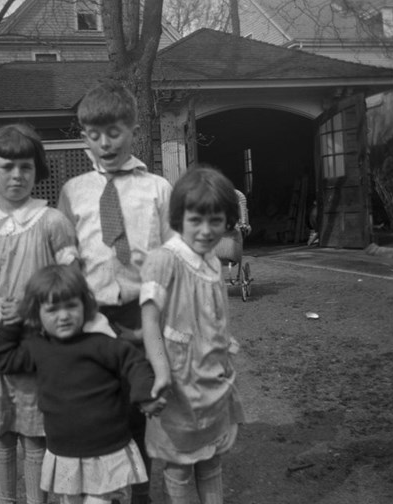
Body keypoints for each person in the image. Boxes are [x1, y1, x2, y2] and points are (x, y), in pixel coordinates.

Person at [0, 123, 79, 504]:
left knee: (35, 433)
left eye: (25, 167)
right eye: (7, 167)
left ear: (37, 170)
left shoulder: (52, 222)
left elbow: (72, 286)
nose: (17, 175)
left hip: (35, 345)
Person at [58, 81, 174, 504]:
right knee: (94, 411)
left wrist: (158, 324)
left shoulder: (157, 189)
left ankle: (141, 493)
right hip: (91, 316)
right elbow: (67, 259)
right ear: (84, 135)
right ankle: (101, 494)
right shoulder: (73, 192)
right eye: (93, 135)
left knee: (136, 409)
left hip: (139, 316)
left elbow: (170, 260)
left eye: (114, 133)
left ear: (133, 130)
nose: (104, 143)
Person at [0, 265, 167, 504]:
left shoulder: (102, 344)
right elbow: (4, 359)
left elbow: (135, 363)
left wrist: (145, 395)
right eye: (52, 309)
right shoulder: (39, 347)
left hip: (107, 451)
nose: (63, 316)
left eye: (71, 306)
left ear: (85, 305)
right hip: (65, 454)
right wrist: (12, 323)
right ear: (36, 313)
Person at [140, 167, 246, 504]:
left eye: (215, 221)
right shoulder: (164, 260)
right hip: (179, 384)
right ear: (178, 217)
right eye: (195, 220)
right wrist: (159, 373)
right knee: (179, 468)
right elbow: (150, 320)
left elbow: (214, 317)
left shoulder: (213, 263)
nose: (205, 230)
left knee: (211, 462)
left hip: (212, 380)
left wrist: (223, 344)